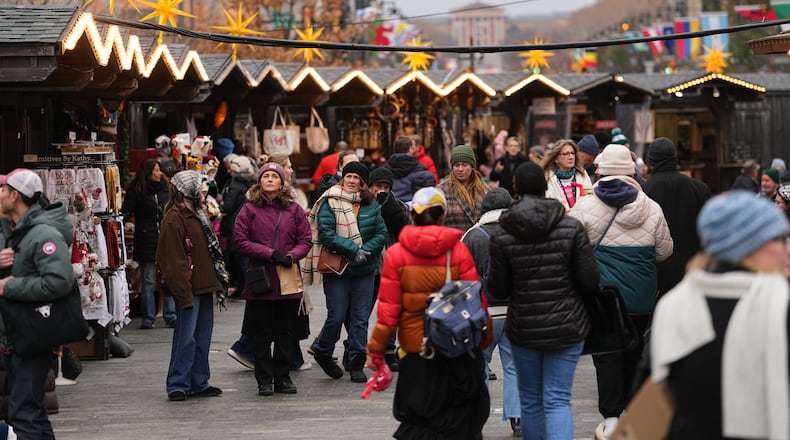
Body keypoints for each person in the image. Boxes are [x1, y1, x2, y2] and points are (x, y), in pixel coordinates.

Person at [651, 191, 789, 439]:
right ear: (750, 246)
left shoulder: (673, 305)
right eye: (778, 239)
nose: (786, 250)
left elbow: (653, 389)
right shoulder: (781, 303)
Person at [366, 187, 490, 439]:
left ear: (412, 215)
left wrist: (376, 352)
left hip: (416, 349)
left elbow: (388, 312)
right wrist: (483, 342)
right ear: (442, 215)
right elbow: (476, 301)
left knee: (420, 415)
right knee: (457, 415)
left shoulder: (396, 254)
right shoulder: (457, 251)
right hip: (455, 346)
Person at [488, 162, 600, 440]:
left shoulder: (503, 232)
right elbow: (590, 280)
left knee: (531, 400)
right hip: (567, 323)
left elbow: (498, 289)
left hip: (524, 325)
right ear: (544, 188)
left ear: (515, 190)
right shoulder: (571, 227)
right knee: (558, 399)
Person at [569, 144, 673, 439]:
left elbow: (573, 247)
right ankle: (632, 411)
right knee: (634, 350)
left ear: (600, 170)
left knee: (606, 355)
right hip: (641, 295)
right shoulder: (651, 206)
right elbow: (665, 251)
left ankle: (612, 417)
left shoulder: (585, 206)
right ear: (631, 171)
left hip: (604, 296)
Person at [0, 169, 71, 438]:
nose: (0, 195)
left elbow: (59, 281)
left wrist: (11, 286)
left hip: (32, 335)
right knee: (31, 411)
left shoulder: (41, 234)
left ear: (15, 195)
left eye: (4, 190)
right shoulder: (17, 232)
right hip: (16, 334)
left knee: (24, 413)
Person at [234, 163, 312, 396]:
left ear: (281, 182)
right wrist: (269, 254)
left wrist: (291, 255)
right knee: (262, 332)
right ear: (259, 181)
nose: (269, 179)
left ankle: (283, 377)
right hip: (261, 276)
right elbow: (240, 240)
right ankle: (264, 379)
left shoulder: (295, 210)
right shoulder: (248, 209)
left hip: (288, 276)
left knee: (285, 331)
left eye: (274, 176)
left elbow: (305, 239)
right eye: (265, 176)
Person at [306, 162, 387, 383]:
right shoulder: (329, 202)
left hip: (365, 269)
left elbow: (381, 232)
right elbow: (326, 234)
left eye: (356, 177)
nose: (352, 181)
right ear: (343, 178)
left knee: (360, 319)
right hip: (337, 268)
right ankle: (323, 350)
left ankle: (356, 361)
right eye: (348, 176)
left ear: (363, 182)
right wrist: (353, 251)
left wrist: (365, 252)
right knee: (337, 315)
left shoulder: (370, 204)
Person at [157, 170, 226, 402]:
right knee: (185, 338)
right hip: (189, 287)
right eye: (199, 187)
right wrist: (183, 292)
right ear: (187, 190)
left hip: (204, 285)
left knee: (202, 337)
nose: (203, 191)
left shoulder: (197, 212)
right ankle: (178, 383)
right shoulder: (174, 218)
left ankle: (198, 381)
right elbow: (173, 261)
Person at [461, 187, 522, 437]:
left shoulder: (473, 235)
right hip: (514, 312)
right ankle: (518, 418)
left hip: (483, 311)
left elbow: (461, 276)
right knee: (514, 367)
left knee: (480, 365)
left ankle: (477, 420)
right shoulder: (519, 232)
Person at [643, 137, 711, 296]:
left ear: (651, 161)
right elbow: (709, 232)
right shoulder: (700, 189)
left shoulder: (644, 192)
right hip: (693, 269)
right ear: (675, 158)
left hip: (659, 274)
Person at [120, 158, 175, 329]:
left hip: (167, 238)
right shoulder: (137, 191)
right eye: (156, 170)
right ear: (148, 173)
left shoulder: (167, 189)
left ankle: (170, 315)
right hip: (146, 238)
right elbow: (126, 212)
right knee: (149, 279)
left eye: (159, 170)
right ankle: (148, 317)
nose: (160, 173)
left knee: (168, 278)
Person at [437, 145, 489, 231]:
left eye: (464, 165)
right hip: (454, 241)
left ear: (472, 166)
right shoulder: (442, 190)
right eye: (457, 165)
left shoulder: (483, 189)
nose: (460, 169)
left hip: (478, 241)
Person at [542, 139, 593, 212]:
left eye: (573, 153)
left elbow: (590, 199)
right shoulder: (547, 178)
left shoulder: (583, 175)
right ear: (556, 159)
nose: (571, 157)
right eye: (566, 154)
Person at [385, 136, 436, 203]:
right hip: (412, 205)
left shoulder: (385, 168)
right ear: (410, 149)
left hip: (390, 205)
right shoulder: (419, 167)